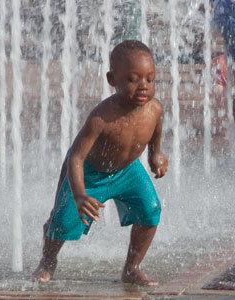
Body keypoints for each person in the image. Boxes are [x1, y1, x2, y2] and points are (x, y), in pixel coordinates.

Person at [31, 40, 168, 286]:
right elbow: (76, 156)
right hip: (91, 173)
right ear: (112, 79)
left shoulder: (155, 109)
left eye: (150, 79)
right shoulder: (101, 117)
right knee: (61, 223)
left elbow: (156, 130)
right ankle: (48, 260)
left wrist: (155, 154)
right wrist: (80, 195)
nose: (143, 86)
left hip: (128, 171)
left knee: (151, 210)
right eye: (133, 79)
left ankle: (131, 268)